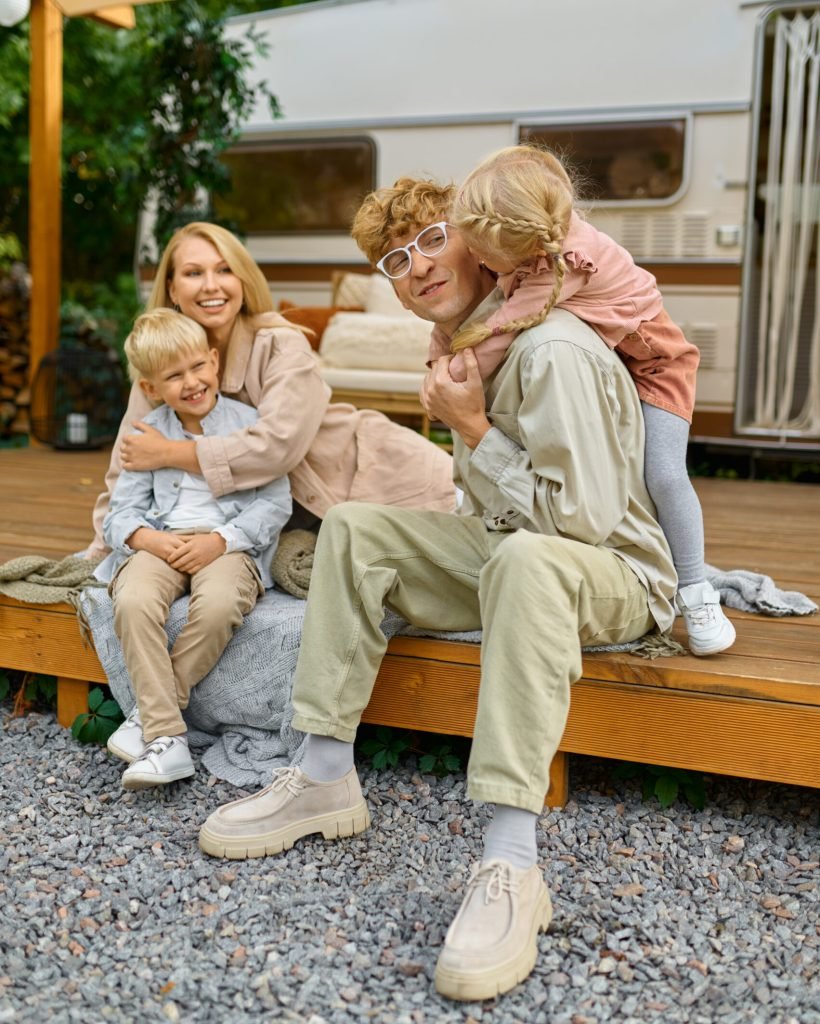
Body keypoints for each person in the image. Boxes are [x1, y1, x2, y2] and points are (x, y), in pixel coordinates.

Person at [197, 178, 678, 1002]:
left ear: (478, 243)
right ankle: (322, 775)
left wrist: (475, 430)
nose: (416, 267)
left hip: (614, 574)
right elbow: (490, 514)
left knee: (527, 560)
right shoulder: (467, 347)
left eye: (430, 240)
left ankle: (512, 865)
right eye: (395, 259)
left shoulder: (549, 347)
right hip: (510, 551)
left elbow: (580, 525)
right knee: (354, 526)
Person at [426, 145, 735, 657]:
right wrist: (443, 343)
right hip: (614, 364)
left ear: (519, 246)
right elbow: (487, 314)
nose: (476, 260)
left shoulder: (561, 268)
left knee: (661, 475)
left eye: (483, 252)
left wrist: (450, 381)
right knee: (617, 474)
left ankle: (696, 590)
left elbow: (500, 331)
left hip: (657, 370)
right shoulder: (528, 244)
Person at [87, 222, 455, 560]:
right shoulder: (159, 369)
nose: (211, 285)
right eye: (193, 273)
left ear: (243, 279)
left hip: (384, 479)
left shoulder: (282, 344)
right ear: (172, 289)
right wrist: (102, 550)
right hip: (304, 517)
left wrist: (170, 452)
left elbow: (275, 447)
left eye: (225, 269)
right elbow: (128, 462)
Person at [97, 309, 292, 790]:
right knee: (133, 599)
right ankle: (171, 741)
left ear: (213, 360)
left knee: (222, 603)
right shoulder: (145, 436)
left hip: (227, 542)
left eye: (196, 368)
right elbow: (120, 513)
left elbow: (274, 504)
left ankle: (151, 721)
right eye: (173, 376)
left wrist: (220, 541)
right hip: (159, 538)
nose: (190, 383)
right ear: (150, 388)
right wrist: (151, 541)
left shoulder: (248, 425)